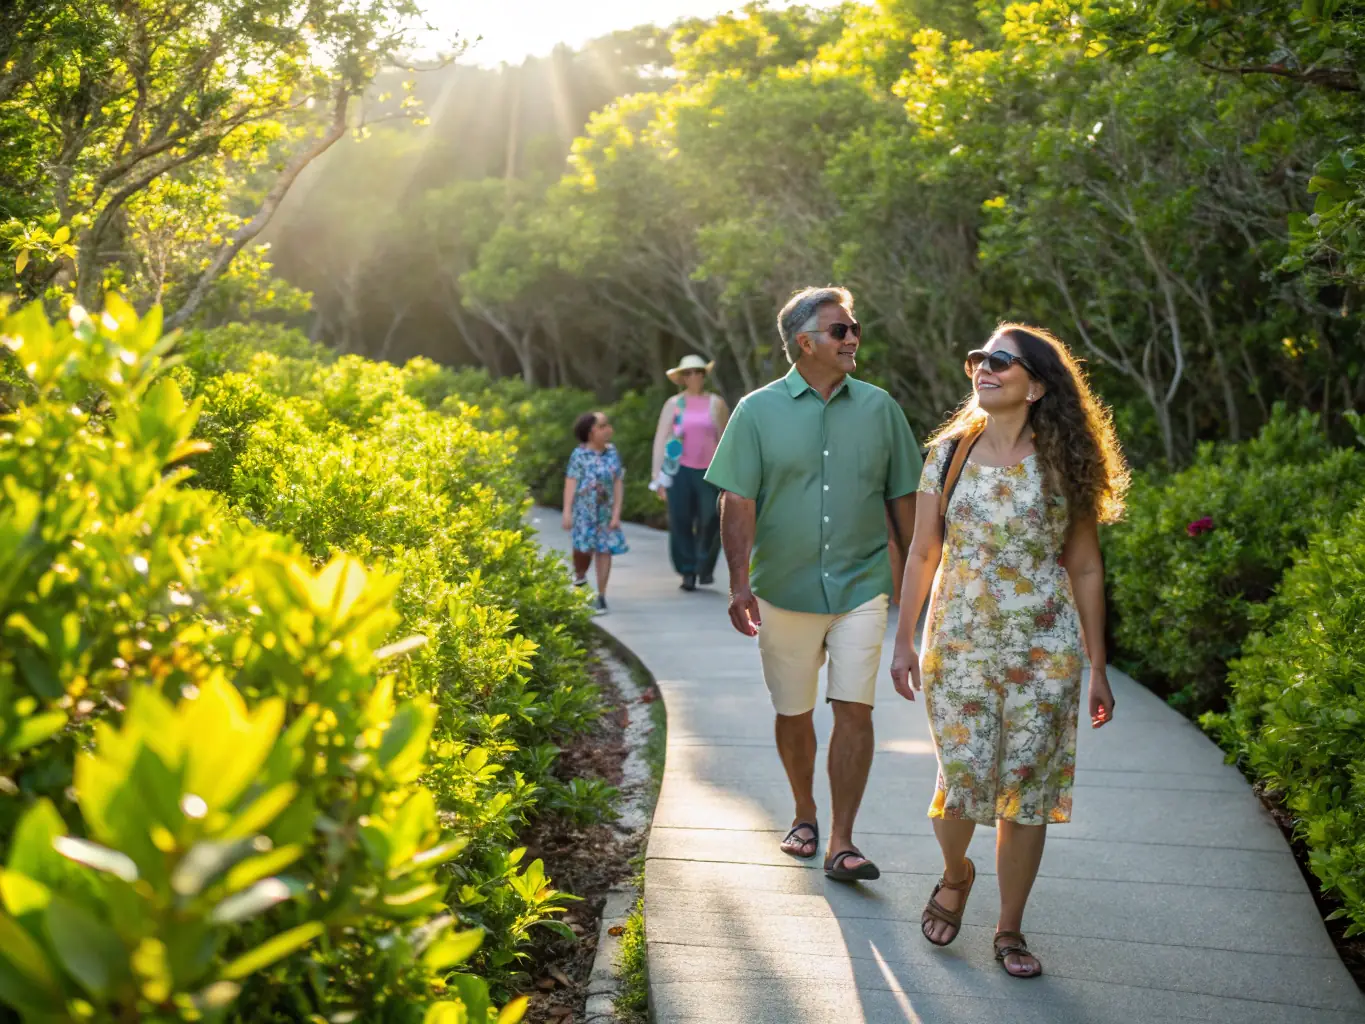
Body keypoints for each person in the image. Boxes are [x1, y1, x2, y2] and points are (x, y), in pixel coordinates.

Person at [889, 323, 1130, 979]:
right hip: (958, 642)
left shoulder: (1063, 463)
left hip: (1044, 649)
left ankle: (1009, 928)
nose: (981, 368)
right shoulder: (947, 453)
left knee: (1024, 788)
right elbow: (922, 550)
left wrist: (1097, 665)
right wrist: (903, 638)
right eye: (977, 359)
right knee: (962, 780)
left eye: (999, 360)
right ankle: (956, 871)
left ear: (1036, 385)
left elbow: (1083, 567)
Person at [705, 286, 922, 882]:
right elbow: (738, 499)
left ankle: (844, 842)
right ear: (805, 342)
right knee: (794, 710)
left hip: (862, 584)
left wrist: (924, 586)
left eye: (854, 329)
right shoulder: (756, 410)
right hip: (785, 588)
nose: (853, 339)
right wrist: (739, 584)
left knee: (856, 709)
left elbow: (906, 504)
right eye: (840, 331)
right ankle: (805, 814)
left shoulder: (881, 409)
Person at [650, 354, 730, 591]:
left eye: (698, 372)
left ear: (704, 375)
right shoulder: (674, 404)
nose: (693, 377)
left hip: (709, 470)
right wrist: (657, 476)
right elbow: (661, 439)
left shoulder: (716, 403)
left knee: (711, 518)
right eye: (688, 373)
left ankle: (703, 567)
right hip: (679, 470)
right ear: (682, 378)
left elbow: (726, 439)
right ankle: (687, 571)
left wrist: (729, 474)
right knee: (680, 520)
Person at [562, 410, 628, 612]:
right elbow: (571, 482)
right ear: (590, 432)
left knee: (604, 551)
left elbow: (617, 483)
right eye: (602, 426)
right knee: (583, 549)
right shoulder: (579, 455)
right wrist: (567, 511)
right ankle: (580, 578)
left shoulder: (612, 453)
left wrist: (616, 513)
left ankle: (601, 595)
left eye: (607, 425)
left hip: (605, 513)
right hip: (584, 512)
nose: (608, 430)